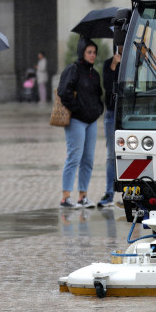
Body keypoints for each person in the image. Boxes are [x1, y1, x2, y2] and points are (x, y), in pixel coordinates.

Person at [58, 37, 104, 209]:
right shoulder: (73, 69)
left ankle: (83, 196)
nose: (92, 55)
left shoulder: (95, 74)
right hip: (76, 121)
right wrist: (77, 109)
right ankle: (65, 197)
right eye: (89, 52)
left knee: (88, 159)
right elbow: (64, 92)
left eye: (94, 52)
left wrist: (98, 109)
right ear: (82, 53)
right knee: (74, 157)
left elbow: (99, 94)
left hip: (91, 121)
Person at [97, 43, 122, 208]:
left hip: (130, 113)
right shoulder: (108, 63)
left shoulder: (136, 60)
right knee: (111, 156)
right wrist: (114, 65)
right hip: (112, 113)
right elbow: (107, 86)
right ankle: (109, 193)